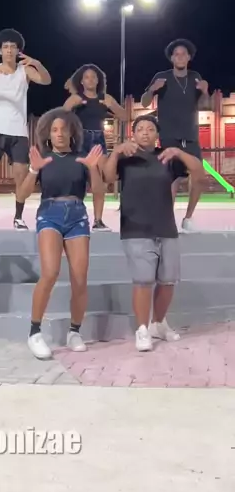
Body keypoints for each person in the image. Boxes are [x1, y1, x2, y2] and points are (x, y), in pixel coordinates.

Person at [104, 114, 203, 352]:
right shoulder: (126, 158)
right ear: (133, 134)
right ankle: (142, 329)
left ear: (157, 134)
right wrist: (115, 153)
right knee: (143, 281)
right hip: (136, 228)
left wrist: (179, 153)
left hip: (166, 227)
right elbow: (107, 177)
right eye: (140, 129)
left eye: (150, 129)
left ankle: (158, 323)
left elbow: (199, 173)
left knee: (168, 280)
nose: (145, 133)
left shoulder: (166, 157)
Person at [16, 108, 103, 360]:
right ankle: (34, 332)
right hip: (49, 214)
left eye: (64, 129)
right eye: (54, 130)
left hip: (77, 216)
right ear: (48, 134)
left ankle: (74, 332)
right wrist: (34, 170)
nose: (59, 134)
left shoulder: (82, 159)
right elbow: (21, 195)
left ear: (72, 132)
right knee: (50, 272)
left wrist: (93, 168)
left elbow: (99, 191)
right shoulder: (43, 159)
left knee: (80, 278)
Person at [0, 28, 51, 231]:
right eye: (5, 47)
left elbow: (46, 80)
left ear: (18, 50)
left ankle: (18, 217)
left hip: (18, 132)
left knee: (20, 176)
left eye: (12, 47)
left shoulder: (25, 71)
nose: (9, 50)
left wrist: (37, 63)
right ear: (0, 50)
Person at [141, 39, 210, 232]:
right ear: (171, 58)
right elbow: (144, 102)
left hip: (191, 136)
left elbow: (206, 105)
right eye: (176, 54)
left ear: (189, 57)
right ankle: (166, 221)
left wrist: (205, 92)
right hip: (169, 136)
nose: (180, 57)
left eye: (183, 54)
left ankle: (188, 218)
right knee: (172, 180)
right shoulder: (162, 77)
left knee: (199, 177)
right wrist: (152, 89)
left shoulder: (195, 77)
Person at [64, 63, 127, 231]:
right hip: (80, 138)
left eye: (93, 77)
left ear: (98, 80)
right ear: (82, 81)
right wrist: (71, 106)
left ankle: (98, 220)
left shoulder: (105, 98)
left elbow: (125, 116)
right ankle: (73, 218)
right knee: (77, 181)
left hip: (98, 138)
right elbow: (61, 115)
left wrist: (112, 106)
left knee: (100, 180)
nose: (90, 80)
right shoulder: (76, 98)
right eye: (87, 77)